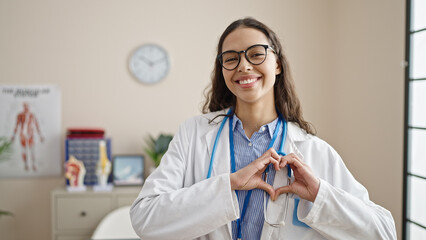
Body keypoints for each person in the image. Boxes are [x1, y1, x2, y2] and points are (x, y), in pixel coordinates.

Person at [130, 17, 396, 240]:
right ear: (222, 69)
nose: (244, 65)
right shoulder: (194, 134)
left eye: (256, 54)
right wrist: (228, 185)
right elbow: (145, 218)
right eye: (231, 58)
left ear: (277, 64)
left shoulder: (311, 149)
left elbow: (383, 232)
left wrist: (319, 195)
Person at [10, 102, 44, 171]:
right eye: (25, 106)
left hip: (30, 134)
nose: (26, 108)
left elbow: (37, 125)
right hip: (23, 134)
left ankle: (33, 164)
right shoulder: (20, 115)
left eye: (27, 106)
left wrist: (40, 135)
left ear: (29, 107)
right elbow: (16, 125)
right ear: (23, 107)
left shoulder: (32, 115)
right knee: (24, 150)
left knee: (32, 150)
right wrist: (13, 135)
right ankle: (26, 165)